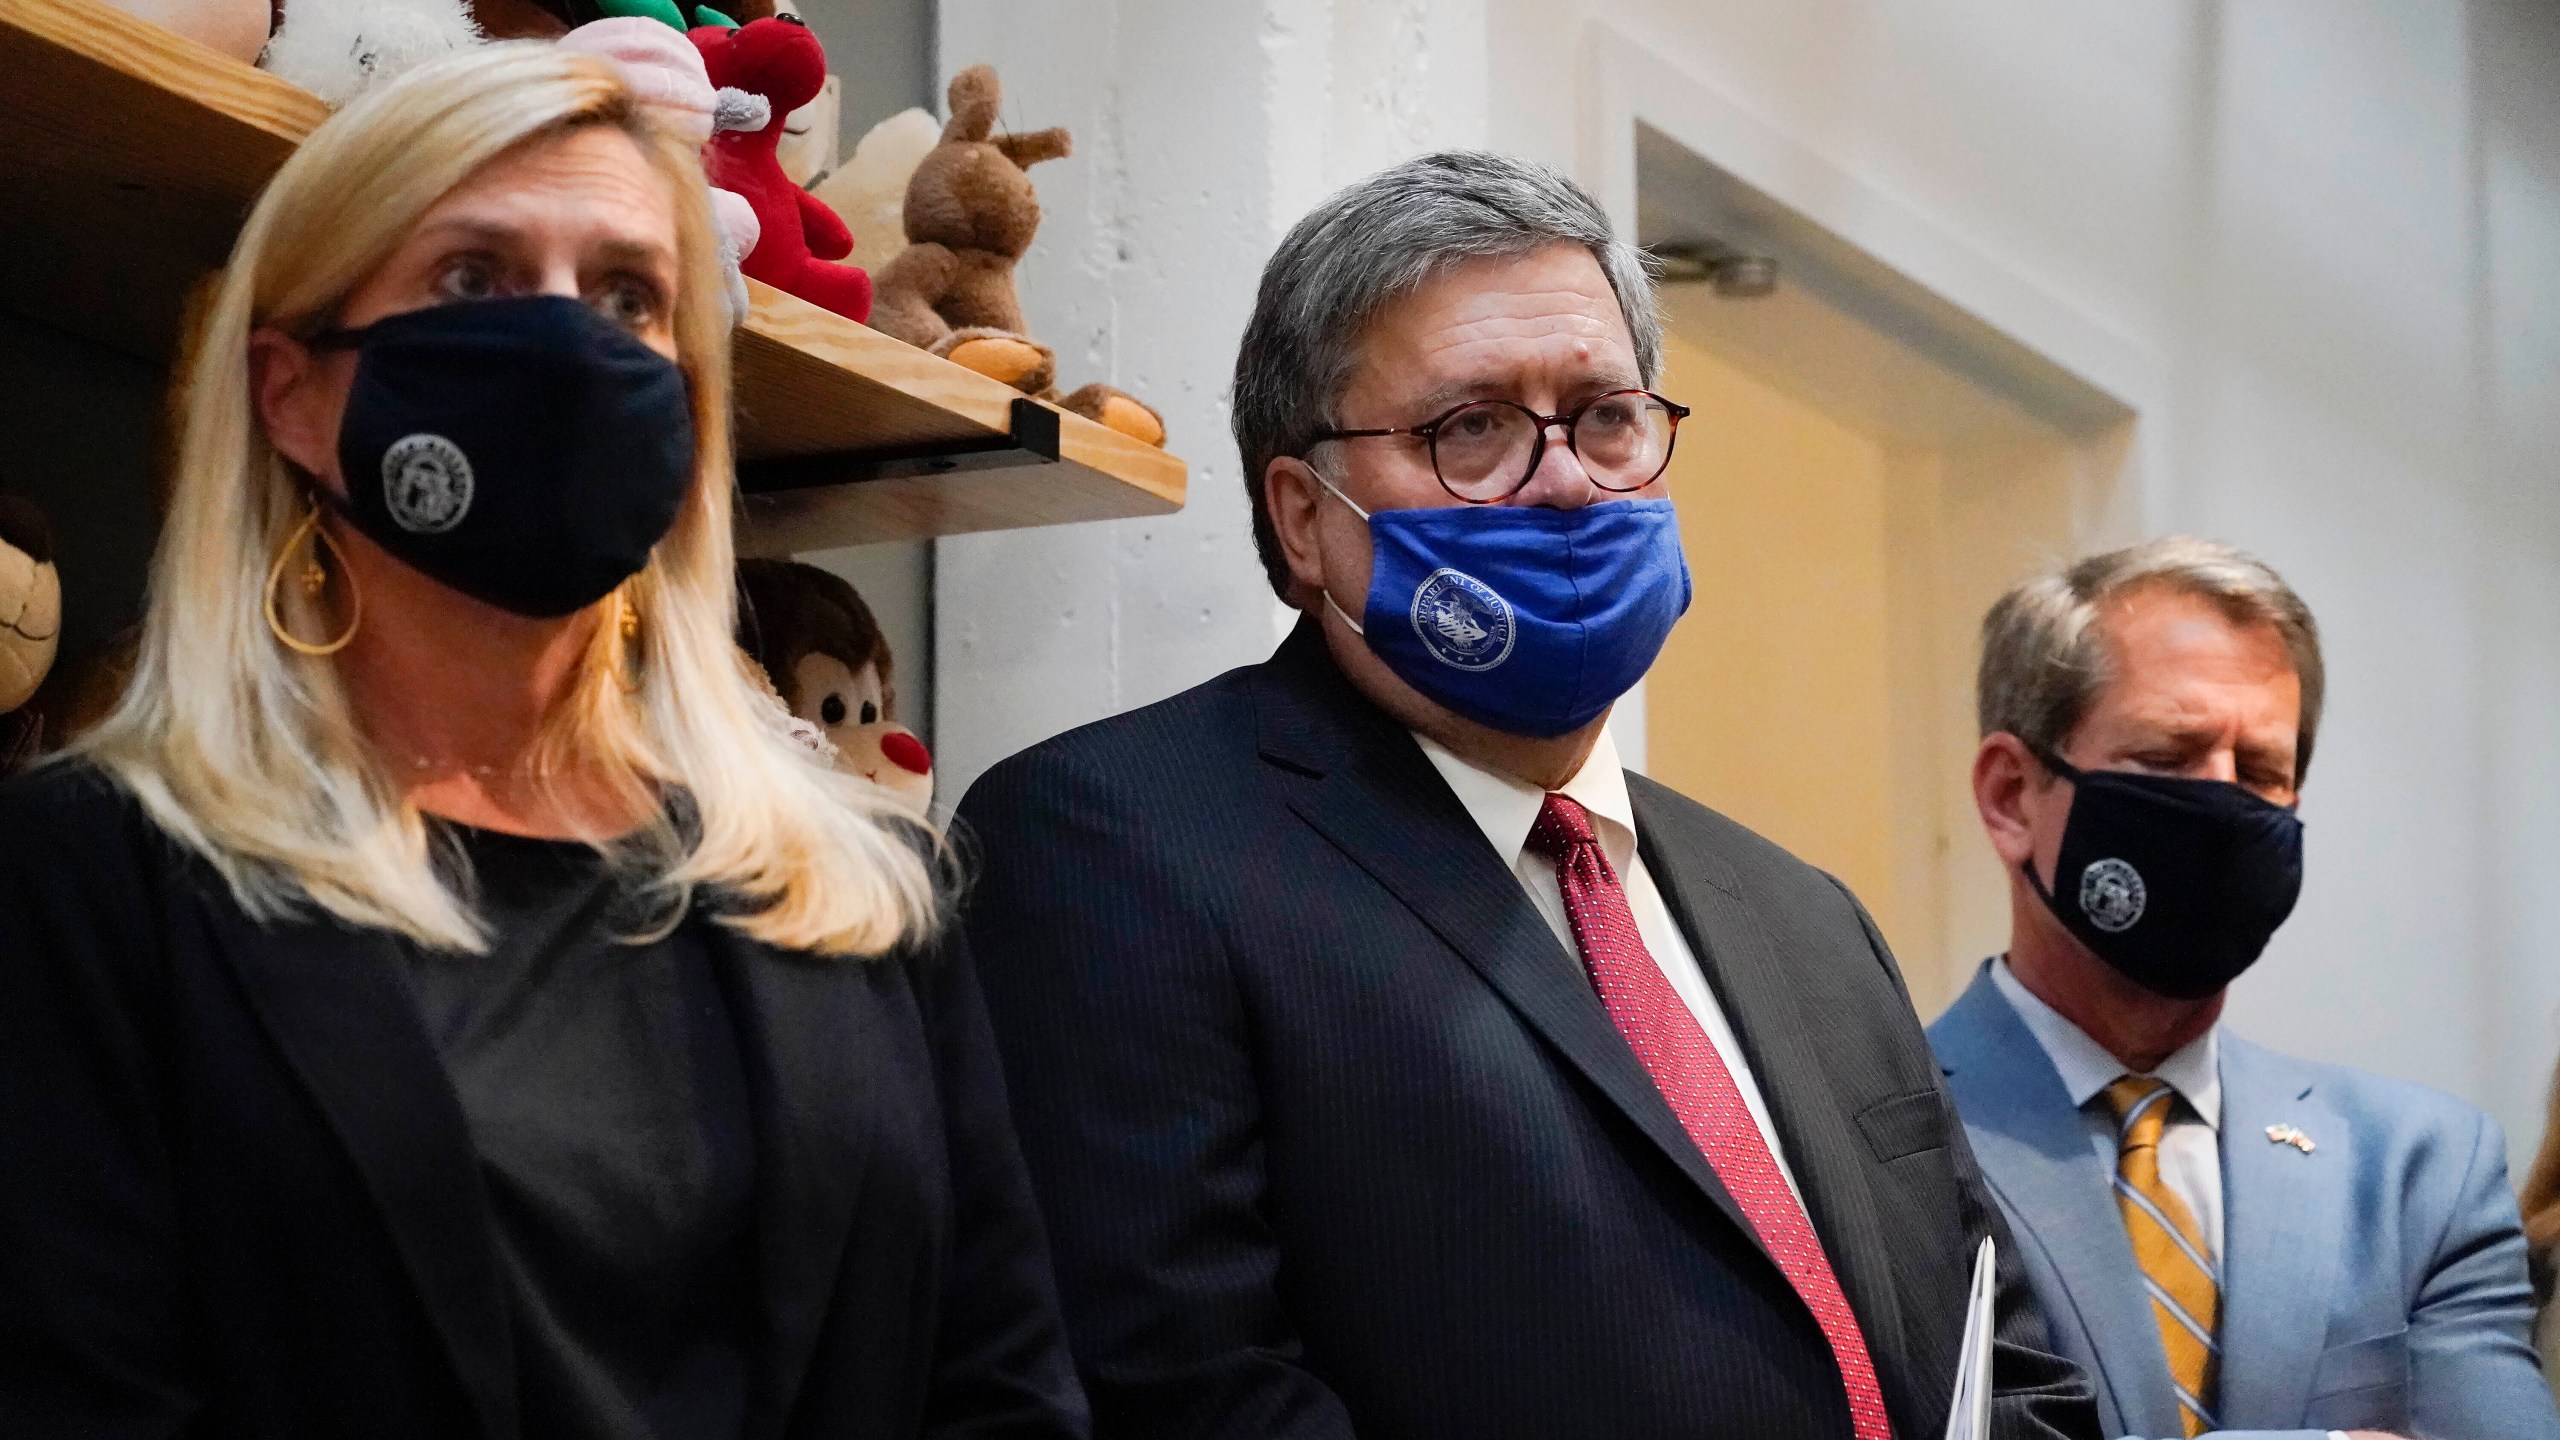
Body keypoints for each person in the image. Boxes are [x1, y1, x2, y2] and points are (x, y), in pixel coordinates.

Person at [0, 47, 1084, 1440]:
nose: (568, 342)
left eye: (628, 296)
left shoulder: (868, 888)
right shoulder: (92, 885)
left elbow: (1001, 1390)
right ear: (291, 394)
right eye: (473, 277)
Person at [957, 150, 2098, 1440]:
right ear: (1301, 515)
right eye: (1472, 429)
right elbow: (1181, 1397)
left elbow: (2004, 1372)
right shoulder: (1112, 846)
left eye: (1606, 416)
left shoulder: (1805, 918)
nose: (1565, 481)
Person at [1927, 538, 2560, 1440]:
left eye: (2262, 773)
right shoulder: (1875, 1140)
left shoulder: (2422, 1169)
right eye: (2168, 756)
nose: (2225, 809)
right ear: (2012, 796)